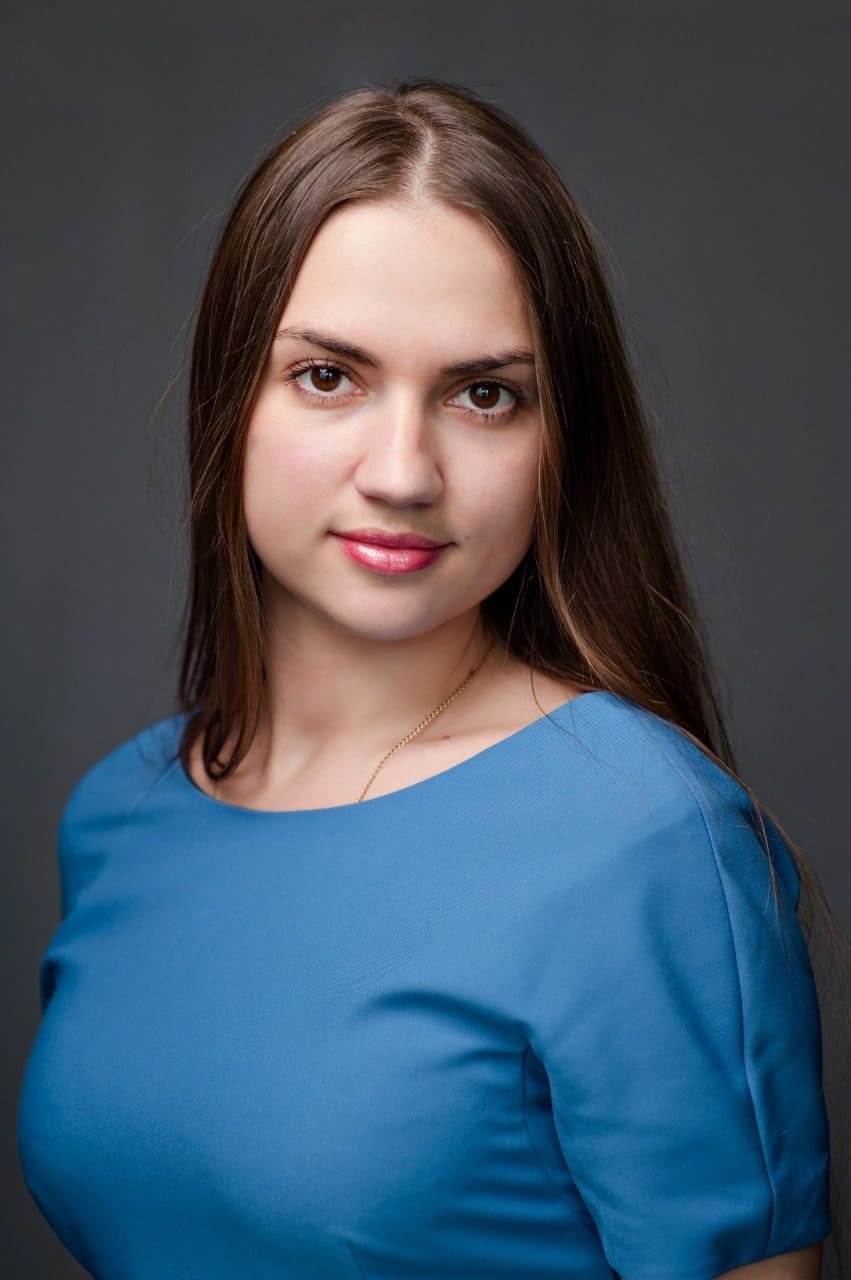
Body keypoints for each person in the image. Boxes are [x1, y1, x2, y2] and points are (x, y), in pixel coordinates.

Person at [16, 78, 848, 1280]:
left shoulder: (645, 841)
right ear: (228, 398)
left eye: (483, 394)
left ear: (560, 443)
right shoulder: (120, 813)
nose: (402, 471)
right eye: (328, 376)